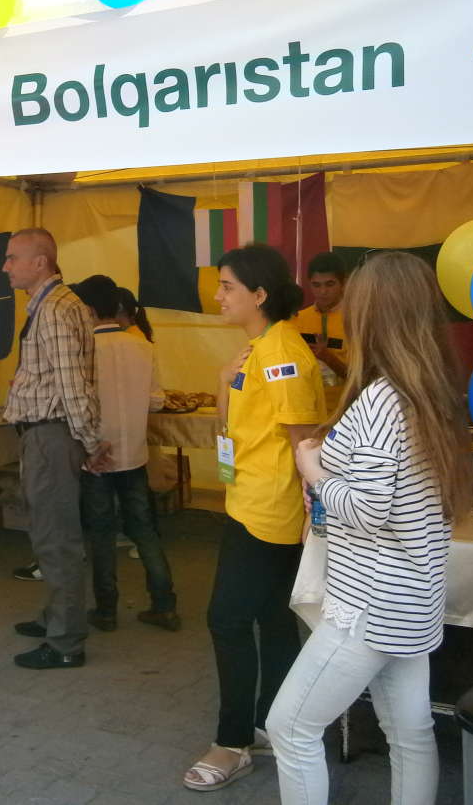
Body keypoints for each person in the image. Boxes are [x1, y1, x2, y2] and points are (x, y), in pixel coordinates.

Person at [267, 251, 473, 805]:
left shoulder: (383, 399)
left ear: (372, 314)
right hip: (411, 596)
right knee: (410, 732)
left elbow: (366, 508)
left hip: (369, 603)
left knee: (290, 727)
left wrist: (313, 470)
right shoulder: (430, 390)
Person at [184, 243, 326, 792]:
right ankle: (270, 723)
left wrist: (318, 514)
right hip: (247, 500)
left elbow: (304, 439)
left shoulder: (282, 352)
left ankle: (232, 741)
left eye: (228, 287)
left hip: (271, 510)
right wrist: (224, 381)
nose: (218, 296)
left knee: (227, 619)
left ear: (260, 294)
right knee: (271, 618)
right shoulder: (258, 348)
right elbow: (230, 429)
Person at [2, 228, 110, 670]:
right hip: (50, 434)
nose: (6, 267)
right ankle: (55, 618)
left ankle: (65, 642)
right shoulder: (62, 305)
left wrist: (89, 442)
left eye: (12, 258)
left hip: (51, 435)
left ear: (40, 262)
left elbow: (72, 386)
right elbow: (72, 379)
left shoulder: (53, 311)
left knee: (56, 539)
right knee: (52, 533)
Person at [69, 275, 178, 633]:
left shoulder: (82, 350)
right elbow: (157, 401)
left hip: (95, 456)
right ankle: (164, 604)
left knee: (100, 535)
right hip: (134, 453)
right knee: (144, 530)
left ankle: (106, 611)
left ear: (87, 309)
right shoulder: (141, 345)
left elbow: (76, 407)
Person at [291, 251, 350, 414]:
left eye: (330, 284)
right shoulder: (298, 319)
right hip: (307, 411)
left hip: (345, 411)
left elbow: (363, 377)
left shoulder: (356, 319)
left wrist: (328, 357)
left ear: (344, 283)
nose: (323, 291)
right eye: (316, 285)